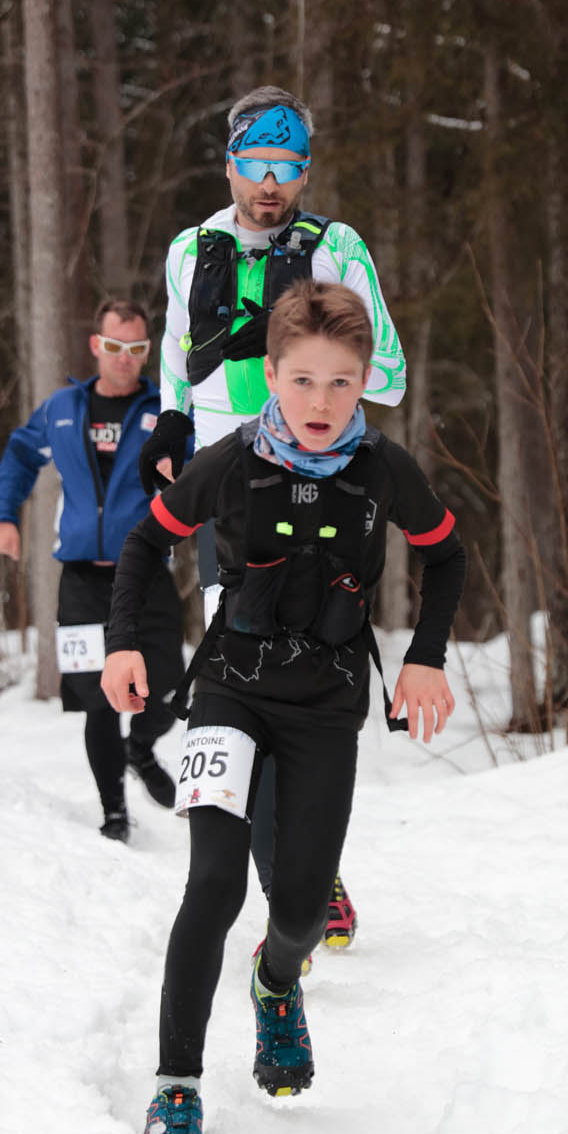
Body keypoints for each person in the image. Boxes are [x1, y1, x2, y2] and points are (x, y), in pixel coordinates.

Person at [102, 280, 465, 1134]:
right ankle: (176, 1086)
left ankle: (275, 984)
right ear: (270, 375)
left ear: (365, 382)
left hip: (327, 704)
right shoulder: (230, 461)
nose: (320, 401)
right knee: (215, 884)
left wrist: (426, 656)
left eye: (341, 382)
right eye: (302, 380)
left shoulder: (383, 468)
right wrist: (123, 644)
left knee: (301, 911)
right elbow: (145, 544)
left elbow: (446, 552)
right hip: (230, 689)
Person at [155, 83, 407, 947]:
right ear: (229, 163)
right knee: (236, 685)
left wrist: (297, 348)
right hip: (231, 495)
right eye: (256, 164)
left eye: (288, 165)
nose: (271, 183)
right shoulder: (191, 249)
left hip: (326, 492)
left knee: (312, 684)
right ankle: (287, 885)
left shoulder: (336, 247)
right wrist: (171, 424)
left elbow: (390, 375)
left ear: (305, 171)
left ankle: (306, 867)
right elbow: (175, 359)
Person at [0, 299, 184, 842]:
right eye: (115, 347)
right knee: (100, 700)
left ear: (147, 350)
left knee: (169, 686)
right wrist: (3, 515)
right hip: (80, 578)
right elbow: (20, 454)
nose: (125, 358)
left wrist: (182, 469)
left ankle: (139, 748)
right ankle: (114, 812)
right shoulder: (63, 408)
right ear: (97, 345)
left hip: (145, 572)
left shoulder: (163, 410)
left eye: (136, 349)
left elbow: (196, 460)